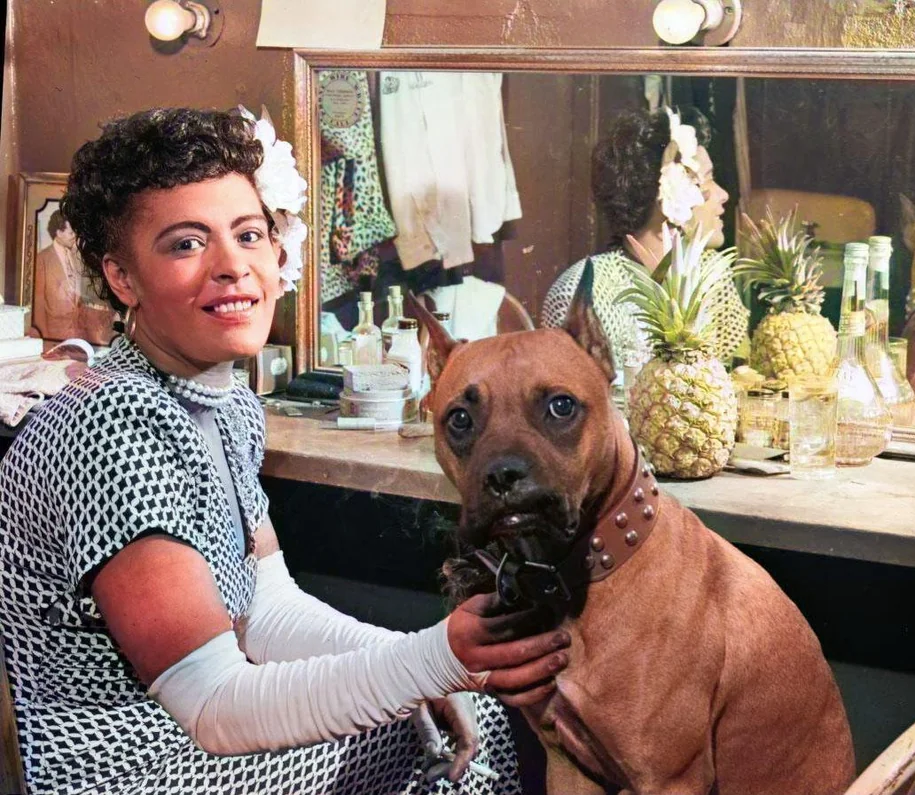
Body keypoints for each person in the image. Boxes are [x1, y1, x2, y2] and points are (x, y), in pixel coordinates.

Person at [0, 107, 569, 795]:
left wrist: (416, 665)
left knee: (453, 716)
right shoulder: (113, 420)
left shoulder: (227, 401)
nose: (233, 267)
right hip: (135, 769)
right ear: (123, 279)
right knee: (456, 748)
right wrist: (430, 661)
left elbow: (268, 612)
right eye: (186, 244)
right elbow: (213, 705)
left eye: (248, 234)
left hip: (193, 742)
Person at [540, 107, 749, 368]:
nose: (723, 195)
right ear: (671, 193)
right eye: (706, 180)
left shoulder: (712, 278)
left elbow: (739, 382)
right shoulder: (581, 291)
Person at [32, 207, 117, 345]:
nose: (74, 236)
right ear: (59, 233)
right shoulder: (42, 259)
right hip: (53, 337)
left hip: (79, 336)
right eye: (71, 232)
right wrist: (42, 340)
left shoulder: (77, 255)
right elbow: (38, 305)